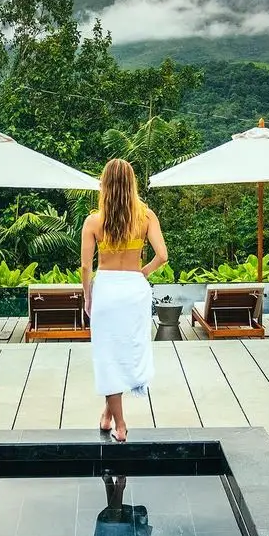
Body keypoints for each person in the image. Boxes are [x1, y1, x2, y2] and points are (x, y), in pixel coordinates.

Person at [81, 158, 168, 443]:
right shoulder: (146, 217)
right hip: (134, 290)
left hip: (106, 289)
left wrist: (87, 296)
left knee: (108, 357)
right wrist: (143, 272)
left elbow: (85, 267)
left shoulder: (94, 221)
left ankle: (120, 423)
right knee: (126, 352)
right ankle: (108, 416)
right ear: (132, 184)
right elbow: (163, 256)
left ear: (104, 185)